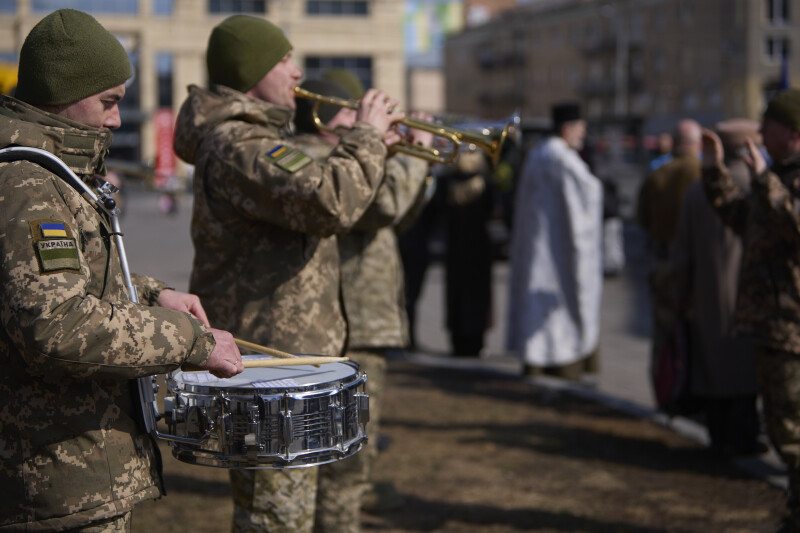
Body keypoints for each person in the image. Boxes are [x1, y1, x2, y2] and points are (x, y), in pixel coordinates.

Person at [0, 9, 243, 532]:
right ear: (66, 92)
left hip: (71, 468)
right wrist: (191, 340)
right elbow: (57, 327)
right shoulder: (28, 183)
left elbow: (71, 280)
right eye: (108, 102)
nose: (114, 120)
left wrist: (152, 294)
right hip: (53, 478)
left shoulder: (52, 173)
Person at [171, 15, 402, 533]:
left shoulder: (251, 138)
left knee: (285, 512)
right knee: (274, 518)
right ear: (251, 71)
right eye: (283, 61)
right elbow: (331, 201)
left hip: (287, 363)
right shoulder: (239, 144)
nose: (296, 73)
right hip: (269, 371)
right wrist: (366, 134)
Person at [293, 75, 432, 531]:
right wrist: (405, 156)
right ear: (329, 121)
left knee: (354, 454)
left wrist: (407, 157)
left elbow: (402, 215)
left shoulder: (350, 159)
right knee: (345, 460)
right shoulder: (318, 160)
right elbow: (384, 205)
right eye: (354, 113)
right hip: (350, 323)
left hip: (367, 318)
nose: (364, 120)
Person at [701, 88, 800, 530]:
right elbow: (744, 220)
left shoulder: (786, 178)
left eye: (768, 124)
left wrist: (764, 181)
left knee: (794, 434)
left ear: (793, 132)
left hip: (794, 329)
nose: (759, 131)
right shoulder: (779, 173)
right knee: (783, 431)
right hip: (772, 326)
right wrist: (714, 172)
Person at [670, 119, 762, 457]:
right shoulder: (758, 186)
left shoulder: (698, 189)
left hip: (706, 296)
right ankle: (744, 437)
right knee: (745, 374)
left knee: (713, 370)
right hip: (750, 296)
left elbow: (681, 249)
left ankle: (719, 436)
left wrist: (680, 293)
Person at [506, 102, 603, 380]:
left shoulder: (537, 154)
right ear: (567, 129)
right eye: (581, 129)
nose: (582, 135)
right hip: (558, 251)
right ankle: (563, 370)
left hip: (538, 247)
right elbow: (590, 194)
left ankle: (536, 366)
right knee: (560, 317)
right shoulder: (562, 159)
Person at [637, 118, 702, 378]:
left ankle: (663, 389)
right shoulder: (702, 173)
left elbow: (642, 218)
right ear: (697, 144)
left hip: (663, 261)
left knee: (664, 333)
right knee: (695, 333)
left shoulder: (658, 173)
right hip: (696, 268)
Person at [441, 151, 494, 356]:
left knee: (456, 292)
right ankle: (476, 341)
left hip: (456, 245)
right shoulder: (484, 182)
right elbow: (491, 210)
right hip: (479, 246)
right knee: (478, 294)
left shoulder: (449, 181)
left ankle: (457, 341)